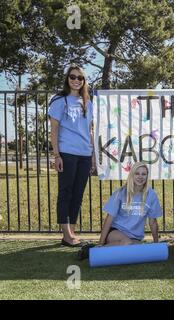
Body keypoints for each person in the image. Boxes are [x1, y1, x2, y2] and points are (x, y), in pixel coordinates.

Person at [49, 64, 95, 247]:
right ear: (67, 79)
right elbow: (54, 130)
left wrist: (92, 155)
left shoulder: (87, 102)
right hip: (67, 153)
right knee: (65, 193)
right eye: (73, 77)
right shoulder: (59, 100)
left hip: (85, 154)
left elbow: (89, 130)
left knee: (78, 194)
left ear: (84, 81)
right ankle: (67, 235)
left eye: (80, 78)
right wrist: (57, 155)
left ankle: (71, 233)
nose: (76, 80)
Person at [78, 162, 161, 260]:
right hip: (116, 231)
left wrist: (156, 245)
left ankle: (110, 247)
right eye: (137, 173)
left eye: (144, 174)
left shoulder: (151, 195)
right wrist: (100, 242)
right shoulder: (120, 193)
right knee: (126, 243)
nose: (140, 177)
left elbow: (153, 222)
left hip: (135, 237)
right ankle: (92, 251)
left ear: (147, 176)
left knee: (135, 249)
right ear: (132, 175)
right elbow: (109, 218)